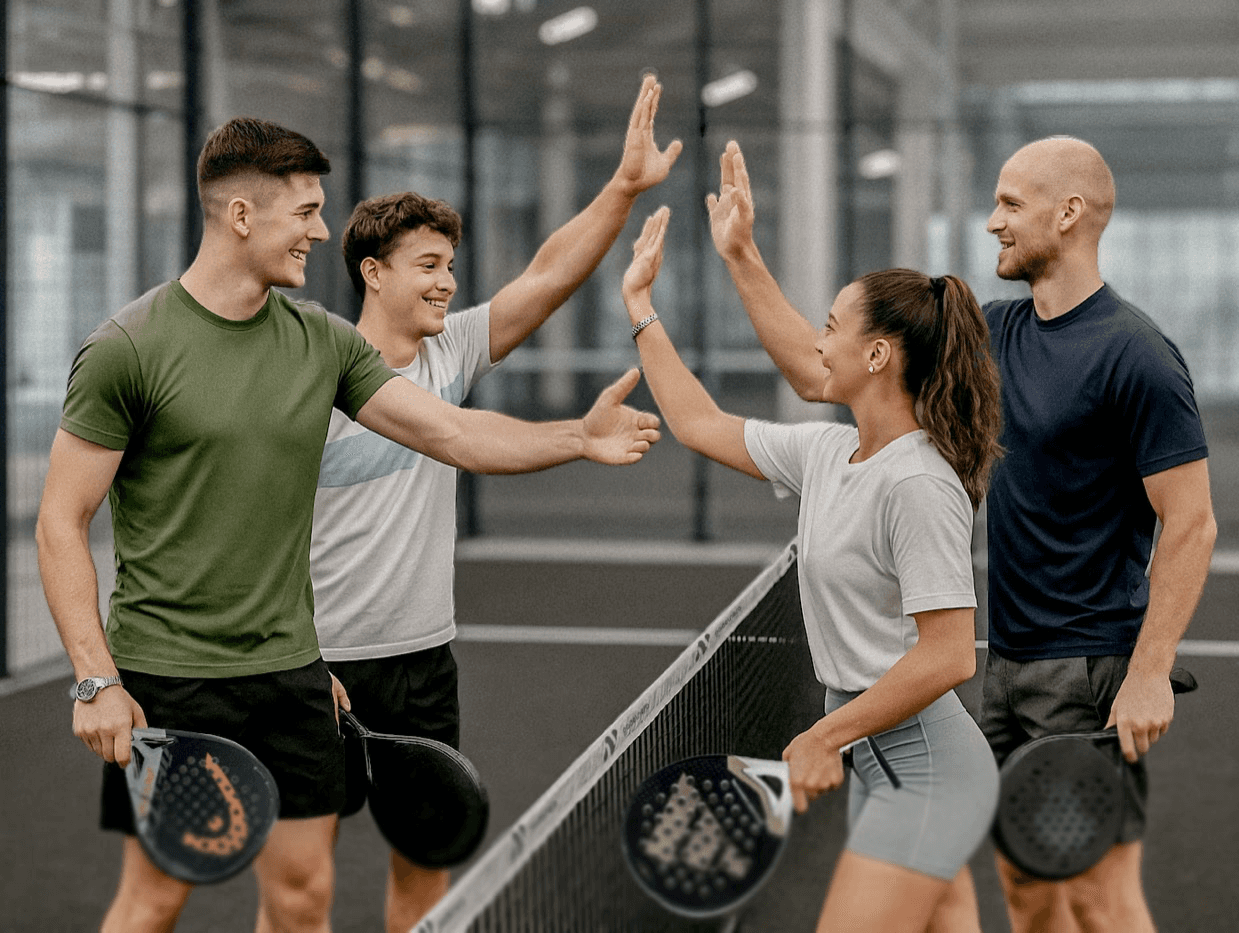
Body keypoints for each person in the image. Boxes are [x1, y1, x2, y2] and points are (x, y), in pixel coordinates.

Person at [35, 116, 661, 933]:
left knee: (302, 899)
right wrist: (96, 679)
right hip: (169, 677)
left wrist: (577, 437)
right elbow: (60, 520)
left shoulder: (321, 342)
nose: (321, 230)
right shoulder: (128, 348)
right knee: (155, 898)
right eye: (305, 212)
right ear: (240, 216)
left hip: (292, 673)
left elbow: (448, 431)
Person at [311, 75, 681, 931]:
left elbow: (550, 273)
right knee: (304, 884)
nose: (447, 283)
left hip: (421, 659)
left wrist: (622, 187)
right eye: (428, 265)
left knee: (424, 871)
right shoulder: (313, 375)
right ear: (373, 272)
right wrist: (295, 653)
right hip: (317, 665)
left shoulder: (452, 353)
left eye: (450, 266)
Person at [623, 199, 1003, 931]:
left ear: (876, 355)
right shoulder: (828, 453)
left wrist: (825, 734)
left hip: (921, 764)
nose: (816, 345)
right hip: (882, 758)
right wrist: (641, 305)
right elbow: (698, 423)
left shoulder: (917, 483)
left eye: (830, 327)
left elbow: (950, 655)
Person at [977, 137, 1216, 933]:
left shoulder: (1136, 355)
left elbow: (1191, 522)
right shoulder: (992, 334)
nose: (991, 222)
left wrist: (1147, 674)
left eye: (1010, 203)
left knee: (1100, 897)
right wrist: (739, 257)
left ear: (1067, 213)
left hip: (1086, 671)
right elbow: (825, 369)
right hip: (1006, 660)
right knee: (1028, 885)